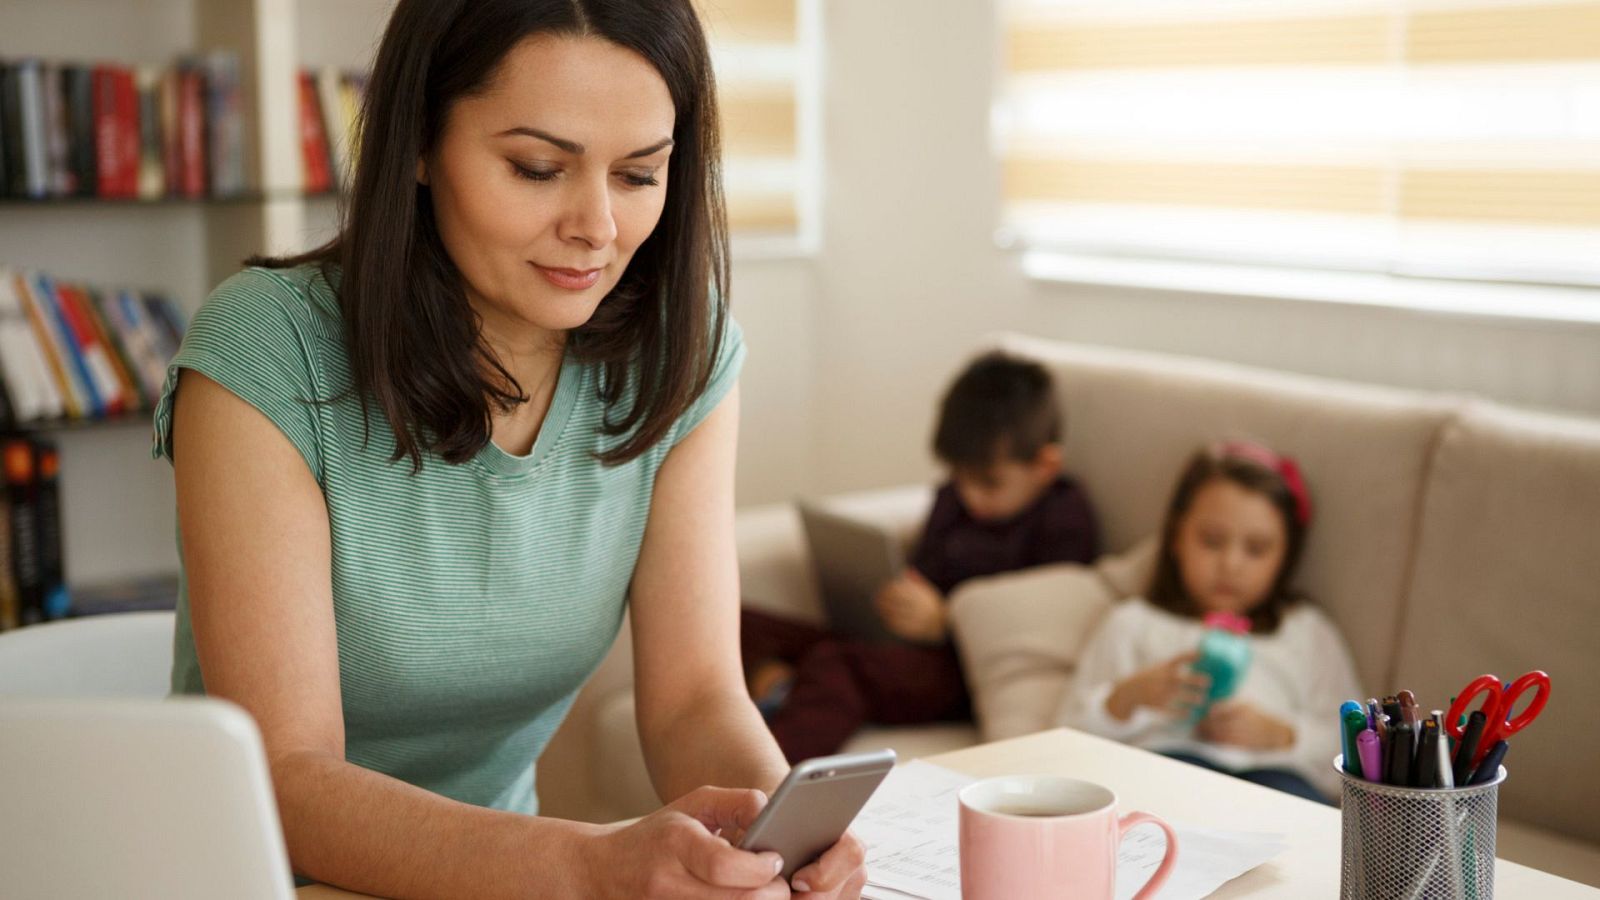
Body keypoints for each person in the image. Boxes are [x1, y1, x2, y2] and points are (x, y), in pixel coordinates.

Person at [155, 2, 864, 896]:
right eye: (537, 168)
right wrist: (589, 865)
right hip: (252, 877)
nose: (597, 227)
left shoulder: (680, 353)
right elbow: (288, 779)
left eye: (640, 174)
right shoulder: (266, 350)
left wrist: (772, 830)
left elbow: (695, 699)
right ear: (418, 143)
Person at [744, 352, 1101, 761]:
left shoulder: (1064, 518)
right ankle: (784, 688)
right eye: (960, 477)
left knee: (836, 665)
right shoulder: (952, 500)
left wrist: (948, 621)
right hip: (903, 645)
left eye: (989, 483)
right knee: (737, 622)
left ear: (1045, 465)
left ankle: (766, 785)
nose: (970, 495)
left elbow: (1045, 627)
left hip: (963, 670)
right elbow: (926, 568)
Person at [1057, 442, 1363, 802]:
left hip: (1276, 781)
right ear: (1176, 537)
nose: (1231, 564)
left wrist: (1281, 735)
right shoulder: (1133, 623)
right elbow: (1064, 738)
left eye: (1256, 549)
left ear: (1286, 556)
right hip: (1167, 769)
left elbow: (1356, 747)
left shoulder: (1304, 631)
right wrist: (1129, 698)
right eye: (1212, 541)